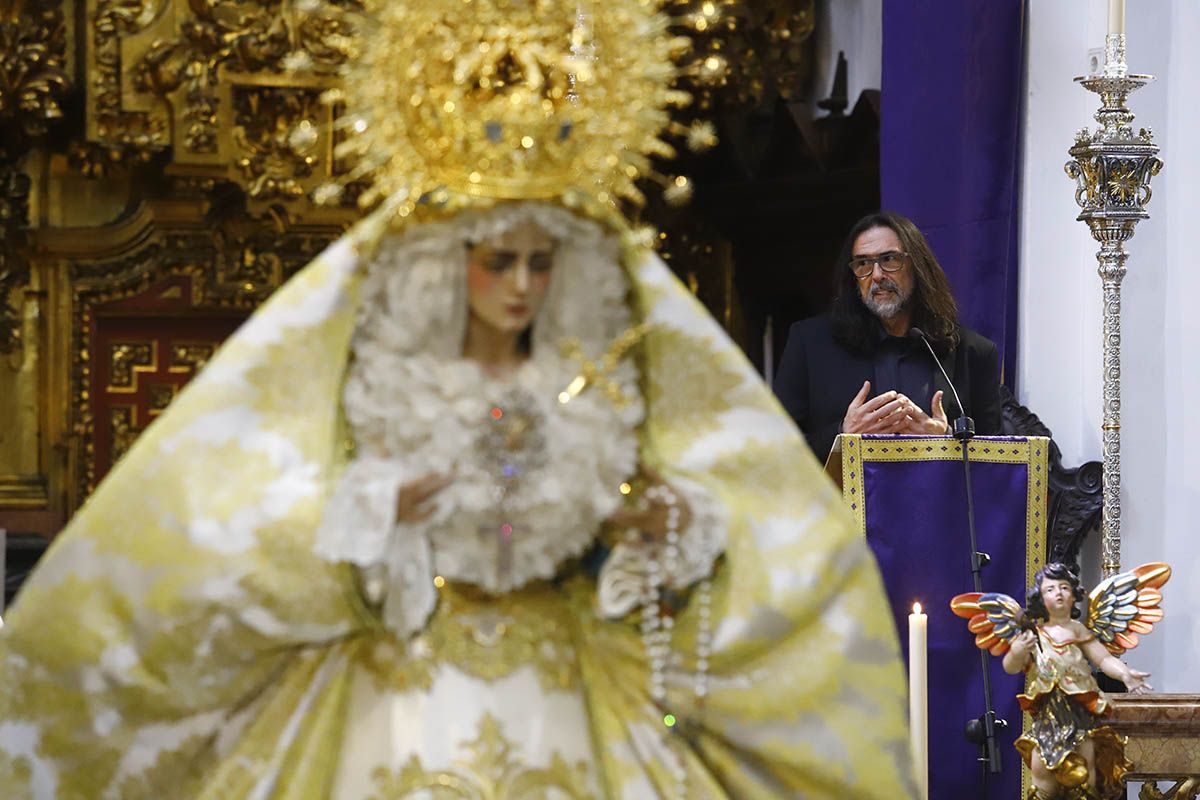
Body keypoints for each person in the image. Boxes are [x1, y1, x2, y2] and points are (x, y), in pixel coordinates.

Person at [0, 3, 916, 798]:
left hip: (571, 692)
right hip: (403, 691)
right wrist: (377, 507)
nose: (521, 285)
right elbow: (243, 516)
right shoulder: (380, 380)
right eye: (498, 260)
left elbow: (731, 526)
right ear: (455, 262)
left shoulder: (604, 377)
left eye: (540, 261)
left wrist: (652, 524)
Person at [773, 211, 1002, 460]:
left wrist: (946, 440)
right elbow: (775, 451)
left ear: (917, 266)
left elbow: (999, 464)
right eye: (863, 264)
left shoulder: (972, 352)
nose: (877, 275)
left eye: (889, 259)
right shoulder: (809, 343)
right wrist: (842, 435)